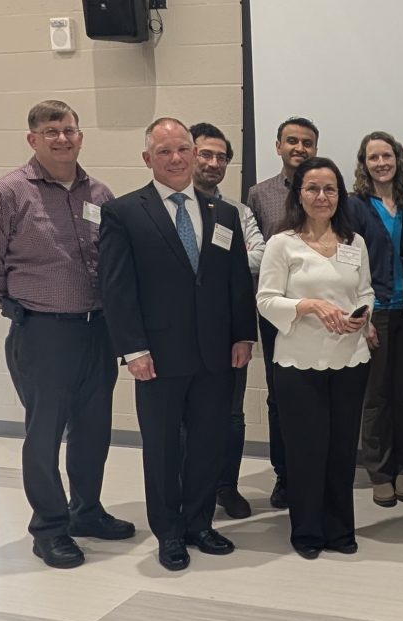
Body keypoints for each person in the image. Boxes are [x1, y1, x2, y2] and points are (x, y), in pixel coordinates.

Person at [0, 99, 134, 569]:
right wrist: (22, 305)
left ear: (81, 135)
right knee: (44, 435)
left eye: (69, 130)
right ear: (32, 139)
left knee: (94, 430)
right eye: (51, 131)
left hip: (96, 331)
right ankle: (49, 528)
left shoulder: (99, 193)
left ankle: (87, 512)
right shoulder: (7, 193)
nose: (62, 138)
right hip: (43, 334)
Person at [98, 117, 256, 572]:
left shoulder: (223, 214)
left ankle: (199, 523)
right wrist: (133, 349)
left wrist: (243, 335)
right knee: (164, 448)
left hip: (215, 354)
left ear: (194, 153)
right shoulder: (125, 212)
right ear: (147, 158)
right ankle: (169, 532)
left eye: (183, 149)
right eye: (164, 151)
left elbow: (234, 285)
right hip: (158, 358)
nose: (176, 158)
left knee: (209, 442)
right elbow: (117, 288)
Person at [256, 157, 375, 560]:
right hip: (298, 364)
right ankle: (307, 530)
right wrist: (308, 305)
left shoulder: (353, 242)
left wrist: (363, 316)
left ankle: (340, 529)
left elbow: (367, 293)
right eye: (313, 188)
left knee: (342, 450)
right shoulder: (281, 243)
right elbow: (266, 300)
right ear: (299, 194)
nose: (322, 197)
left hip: (350, 361)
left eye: (330, 189)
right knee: (306, 450)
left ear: (339, 196)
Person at [189, 122, 266, 519]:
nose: (214, 163)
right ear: (188, 153)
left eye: (221, 157)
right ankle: (189, 490)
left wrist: (217, 260)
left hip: (228, 329)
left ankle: (226, 487)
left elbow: (259, 256)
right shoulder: (168, 209)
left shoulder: (239, 211)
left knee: (231, 415)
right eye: (206, 153)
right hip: (182, 332)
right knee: (186, 416)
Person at [245, 116, 320, 509]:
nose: (299, 149)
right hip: (277, 313)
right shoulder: (258, 195)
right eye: (292, 141)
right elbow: (255, 257)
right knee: (280, 397)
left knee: (318, 393)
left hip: (320, 313)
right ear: (277, 146)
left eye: (307, 143)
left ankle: (315, 471)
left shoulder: (325, 190)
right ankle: (285, 475)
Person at [351, 132, 403, 507]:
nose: (381, 163)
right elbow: (350, 263)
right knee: (376, 397)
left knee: (402, 396)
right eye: (373, 157)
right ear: (364, 163)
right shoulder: (355, 206)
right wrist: (363, 317)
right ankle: (379, 472)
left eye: (387, 155)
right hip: (375, 311)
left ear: (397, 159)